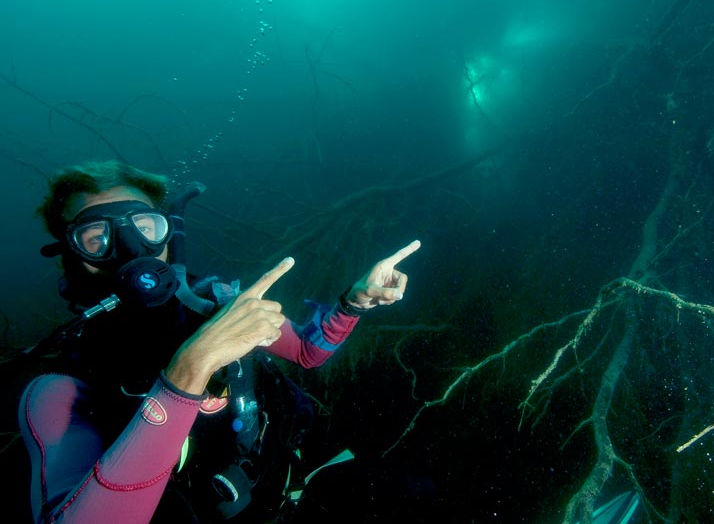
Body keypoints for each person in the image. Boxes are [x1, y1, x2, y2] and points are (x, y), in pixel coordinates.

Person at [16, 159, 422, 523]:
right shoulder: (62, 388)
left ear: (167, 232)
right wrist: (190, 368)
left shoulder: (221, 306)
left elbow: (307, 352)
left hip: (284, 496)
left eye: (145, 227)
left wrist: (355, 301)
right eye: (96, 237)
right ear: (70, 256)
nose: (131, 247)